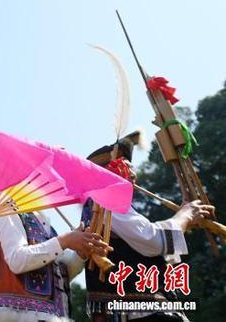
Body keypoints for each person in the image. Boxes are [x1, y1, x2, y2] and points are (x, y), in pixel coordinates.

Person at [82, 132, 213, 322]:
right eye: (125, 167)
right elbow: (153, 240)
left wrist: (185, 219)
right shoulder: (105, 203)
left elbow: (152, 250)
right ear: (107, 173)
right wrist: (185, 216)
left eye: (131, 168)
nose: (133, 175)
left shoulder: (100, 207)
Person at [0, 209, 111, 322]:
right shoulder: (8, 209)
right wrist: (64, 241)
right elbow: (17, 259)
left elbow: (57, 277)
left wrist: (80, 254)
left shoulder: (42, 219)